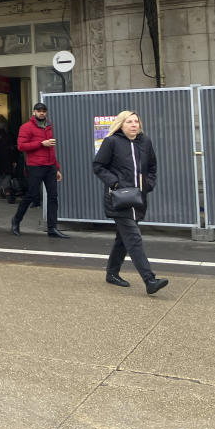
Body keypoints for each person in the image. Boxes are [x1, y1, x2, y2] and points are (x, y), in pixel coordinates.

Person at [92, 110, 168, 294]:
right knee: (133, 238)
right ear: (121, 124)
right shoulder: (111, 142)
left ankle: (112, 273)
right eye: (129, 122)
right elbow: (98, 166)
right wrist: (115, 183)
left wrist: (148, 184)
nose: (134, 125)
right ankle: (150, 280)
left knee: (123, 239)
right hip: (119, 199)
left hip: (138, 199)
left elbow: (152, 166)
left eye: (136, 121)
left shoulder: (145, 142)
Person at [11, 102, 68, 238]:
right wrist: (41, 143)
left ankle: (52, 228)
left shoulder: (48, 125)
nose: (41, 113)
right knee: (31, 195)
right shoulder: (26, 127)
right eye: (39, 110)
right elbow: (21, 146)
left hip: (50, 167)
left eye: (44, 110)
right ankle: (16, 221)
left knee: (53, 197)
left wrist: (57, 168)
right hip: (35, 166)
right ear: (34, 112)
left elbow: (51, 148)